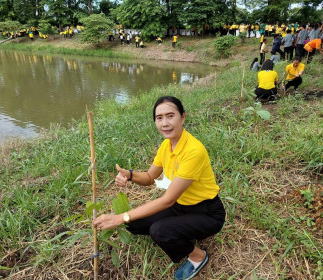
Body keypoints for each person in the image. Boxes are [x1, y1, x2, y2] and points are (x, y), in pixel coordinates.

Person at [93, 96, 225, 280]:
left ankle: (197, 256)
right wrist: (129, 175)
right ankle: (178, 233)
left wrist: (120, 217)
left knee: (159, 230)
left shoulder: (194, 151)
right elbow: (148, 177)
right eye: (159, 118)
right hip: (181, 205)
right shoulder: (166, 145)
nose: (165, 123)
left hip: (207, 212)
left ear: (183, 117)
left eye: (170, 116)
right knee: (134, 222)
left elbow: (167, 200)